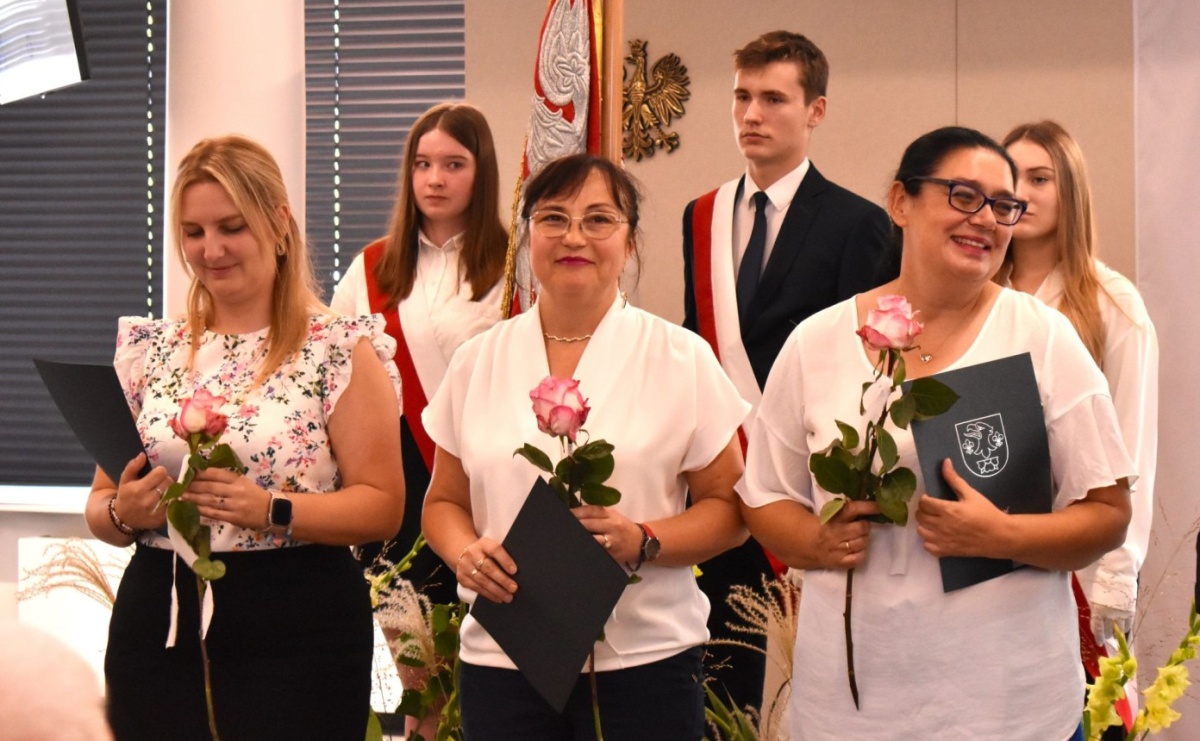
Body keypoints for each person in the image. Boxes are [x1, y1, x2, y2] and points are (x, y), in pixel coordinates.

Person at [738, 126, 1134, 740]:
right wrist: (815, 542)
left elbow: (1108, 514)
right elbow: (763, 496)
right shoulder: (816, 343)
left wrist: (1003, 535)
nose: (986, 219)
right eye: (962, 195)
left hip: (1007, 701)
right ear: (900, 202)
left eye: (1004, 205)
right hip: (853, 701)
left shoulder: (1042, 338)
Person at [85, 135, 404, 741]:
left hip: (300, 622)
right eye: (193, 232)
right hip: (160, 615)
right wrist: (123, 513)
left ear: (278, 222)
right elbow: (101, 507)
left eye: (231, 227)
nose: (212, 249)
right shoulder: (151, 353)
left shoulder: (337, 350)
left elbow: (384, 507)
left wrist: (272, 509)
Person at [422, 153, 750, 740]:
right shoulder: (479, 359)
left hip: (645, 662)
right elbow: (443, 502)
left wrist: (645, 539)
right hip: (504, 659)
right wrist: (465, 553)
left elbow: (730, 512)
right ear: (527, 238)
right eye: (553, 218)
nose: (574, 235)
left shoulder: (680, 357)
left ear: (629, 243)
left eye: (599, 219)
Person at [680, 29, 899, 712]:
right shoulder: (701, 216)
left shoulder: (858, 224)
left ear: (816, 110)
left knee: (806, 676)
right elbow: (699, 349)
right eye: (742, 96)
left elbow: (866, 366)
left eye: (774, 98)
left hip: (807, 484)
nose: (752, 114)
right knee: (727, 671)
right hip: (724, 477)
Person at [329, 101, 508, 735]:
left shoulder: (510, 265)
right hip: (400, 476)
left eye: (453, 164)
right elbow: (335, 365)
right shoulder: (374, 265)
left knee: (491, 660)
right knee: (417, 666)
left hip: (482, 475)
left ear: (481, 172)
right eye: (423, 164)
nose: (434, 179)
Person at [1001, 122, 1158, 674]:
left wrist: (1117, 571)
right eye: (1010, 175)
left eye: (1039, 177)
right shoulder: (976, 297)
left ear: (1071, 190)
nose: (1020, 191)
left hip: (1081, 551)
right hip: (988, 551)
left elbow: (1131, 449)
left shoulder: (1112, 302)